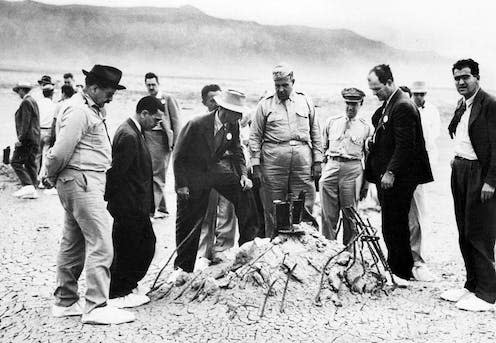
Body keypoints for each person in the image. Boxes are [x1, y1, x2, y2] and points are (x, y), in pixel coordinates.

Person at [46, 65, 135, 324]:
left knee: (73, 242)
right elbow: (60, 151)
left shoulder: (90, 108)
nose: (111, 97)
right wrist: (52, 175)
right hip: (82, 180)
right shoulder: (79, 111)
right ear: (93, 88)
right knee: (101, 241)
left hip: (83, 181)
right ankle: (96, 306)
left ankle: (66, 301)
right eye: (108, 91)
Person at [173, 89, 259, 273]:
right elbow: (178, 156)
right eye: (237, 112)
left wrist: (243, 175)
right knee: (190, 219)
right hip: (193, 175)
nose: (239, 117)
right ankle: (182, 268)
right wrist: (181, 185)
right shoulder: (196, 123)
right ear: (224, 109)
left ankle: (246, 249)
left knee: (244, 192)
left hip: (214, 170)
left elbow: (237, 151)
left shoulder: (233, 125)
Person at [365, 64, 433, 284]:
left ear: (389, 82)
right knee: (393, 223)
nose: (375, 94)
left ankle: (400, 271)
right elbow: (383, 126)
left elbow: (406, 145)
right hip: (390, 176)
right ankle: (399, 268)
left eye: (378, 89)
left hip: (398, 178)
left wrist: (391, 171)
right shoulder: (392, 103)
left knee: (395, 223)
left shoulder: (402, 105)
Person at [441, 59, 496, 311]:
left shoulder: (490, 104)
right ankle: (471, 285)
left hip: (480, 174)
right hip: (461, 169)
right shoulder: (462, 104)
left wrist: (491, 182)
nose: (461, 82)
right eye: (456, 78)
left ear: (477, 77)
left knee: (480, 232)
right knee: (463, 230)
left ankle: (488, 294)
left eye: (465, 77)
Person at [249, 63, 323, 237]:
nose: (281, 89)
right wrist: (256, 166)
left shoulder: (305, 101)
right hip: (273, 161)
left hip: (302, 161)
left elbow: (315, 132)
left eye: (285, 85)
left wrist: (318, 161)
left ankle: (306, 246)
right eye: (277, 85)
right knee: (274, 207)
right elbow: (254, 137)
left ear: (293, 81)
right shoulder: (265, 105)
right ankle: (273, 245)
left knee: (304, 203)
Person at [105, 96, 163, 308]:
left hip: (135, 205)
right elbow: (117, 173)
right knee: (130, 248)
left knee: (141, 246)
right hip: (128, 206)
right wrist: (117, 205)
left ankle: (126, 286)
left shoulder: (134, 131)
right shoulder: (129, 134)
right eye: (155, 119)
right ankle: (119, 292)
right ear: (144, 113)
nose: (157, 124)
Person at [320, 88, 370, 244]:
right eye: (348, 103)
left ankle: (349, 251)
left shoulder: (365, 127)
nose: (350, 107)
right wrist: (322, 171)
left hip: (352, 169)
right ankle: (329, 248)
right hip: (332, 165)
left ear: (360, 104)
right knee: (328, 214)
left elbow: (369, 159)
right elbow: (323, 149)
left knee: (350, 213)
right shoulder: (332, 122)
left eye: (354, 104)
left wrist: (366, 184)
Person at [197, 84, 238, 267]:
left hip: (227, 168)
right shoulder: (200, 123)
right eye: (212, 100)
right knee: (207, 211)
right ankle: (203, 252)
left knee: (227, 210)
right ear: (205, 102)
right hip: (206, 171)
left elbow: (237, 149)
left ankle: (224, 249)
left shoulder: (232, 124)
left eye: (219, 100)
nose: (215, 103)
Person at [406, 81, 441, 282]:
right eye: (415, 94)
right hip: (407, 168)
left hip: (421, 168)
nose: (419, 97)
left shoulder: (432, 112)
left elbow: (431, 140)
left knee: (420, 213)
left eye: (422, 94)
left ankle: (419, 259)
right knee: (408, 214)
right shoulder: (407, 109)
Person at [144, 72, 181, 219]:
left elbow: (176, 121)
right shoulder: (146, 100)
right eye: (148, 85)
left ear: (158, 84)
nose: (151, 87)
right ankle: (163, 208)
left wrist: (176, 143)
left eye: (153, 84)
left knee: (157, 176)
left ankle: (151, 211)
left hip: (161, 140)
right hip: (147, 138)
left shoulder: (167, 99)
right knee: (150, 173)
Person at [11, 82, 40, 199]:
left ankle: (28, 186)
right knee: (30, 163)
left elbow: (25, 123)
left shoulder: (26, 102)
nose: (18, 93)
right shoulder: (33, 101)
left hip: (27, 138)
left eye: (18, 91)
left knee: (15, 162)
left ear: (22, 90)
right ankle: (33, 188)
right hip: (35, 137)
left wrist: (20, 139)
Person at [37, 81, 56, 190]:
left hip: (38, 130)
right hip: (48, 131)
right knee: (45, 156)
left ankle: (35, 178)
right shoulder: (54, 105)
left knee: (37, 156)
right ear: (52, 93)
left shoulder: (38, 103)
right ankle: (41, 179)